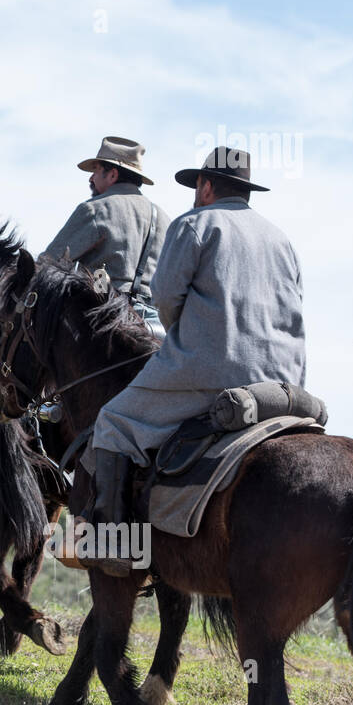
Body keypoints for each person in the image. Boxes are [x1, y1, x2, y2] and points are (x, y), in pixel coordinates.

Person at [83, 146, 305, 574]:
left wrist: (187, 334)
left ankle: (112, 546)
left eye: (195, 185)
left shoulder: (195, 224)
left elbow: (165, 299)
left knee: (113, 421)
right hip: (284, 385)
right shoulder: (282, 238)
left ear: (205, 186)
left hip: (211, 372)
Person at [40, 136, 171, 331]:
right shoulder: (164, 218)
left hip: (101, 318)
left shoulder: (96, 209)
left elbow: (47, 264)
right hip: (154, 326)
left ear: (112, 175)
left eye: (96, 171)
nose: (91, 178)